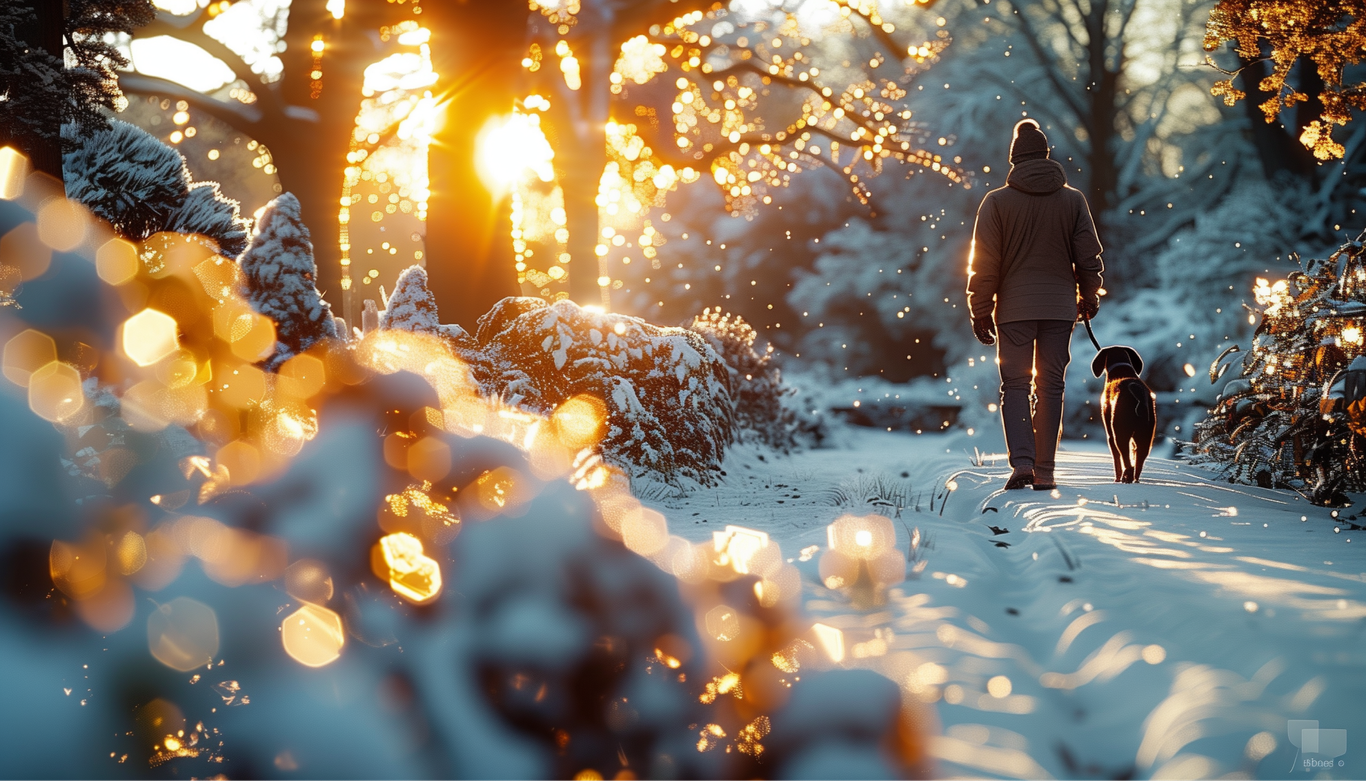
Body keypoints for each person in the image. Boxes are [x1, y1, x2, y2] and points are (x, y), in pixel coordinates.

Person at [966, 119, 1103, 491]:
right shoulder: (1073, 200)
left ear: (1014, 160)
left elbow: (985, 262)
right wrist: (1089, 295)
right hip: (1060, 308)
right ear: (1046, 155)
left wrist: (980, 309)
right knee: (1051, 386)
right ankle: (1045, 470)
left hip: (1013, 311)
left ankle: (1022, 464)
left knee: (1015, 385)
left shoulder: (996, 202)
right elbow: (1087, 256)